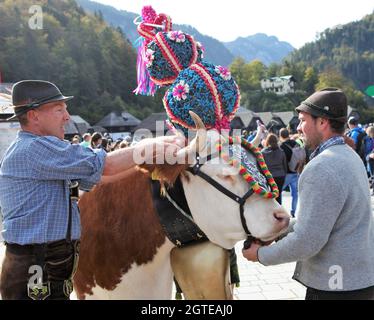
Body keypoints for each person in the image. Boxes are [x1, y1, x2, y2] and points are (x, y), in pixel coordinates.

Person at [0, 80, 184, 300]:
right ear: (34, 116)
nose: (67, 117)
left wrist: (147, 164)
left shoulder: (42, 150)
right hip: (35, 268)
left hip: (45, 265)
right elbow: (107, 165)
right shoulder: (34, 149)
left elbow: (102, 178)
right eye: (59, 109)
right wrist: (150, 148)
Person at [242, 88, 374, 300]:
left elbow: (307, 241)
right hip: (358, 281)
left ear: (322, 122)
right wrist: (277, 232)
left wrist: (260, 255)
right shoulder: (350, 156)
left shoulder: (322, 166)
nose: (298, 127)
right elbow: (321, 223)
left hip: (334, 289)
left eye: (303, 120)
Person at [261, 134, 288, 205]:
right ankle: (279, 209)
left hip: (269, 176)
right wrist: (284, 174)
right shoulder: (281, 152)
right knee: (279, 195)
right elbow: (285, 165)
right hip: (280, 175)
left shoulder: (263, 152)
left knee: (271, 196)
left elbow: (261, 166)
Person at [279, 128, 300, 217]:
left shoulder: (282, 146)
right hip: (296, 171)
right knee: (295, 194)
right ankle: (293, 212)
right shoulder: (296, 144)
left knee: (278, 192)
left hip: (286, 173)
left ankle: (280, 211)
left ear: (281, 136)